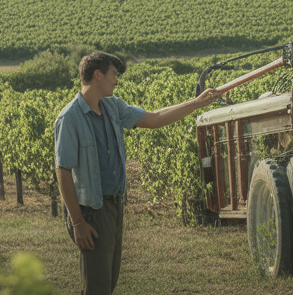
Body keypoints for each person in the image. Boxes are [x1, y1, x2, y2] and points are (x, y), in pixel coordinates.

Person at [54, 51, 221, 295]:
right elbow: (63, 171)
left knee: (107, 282)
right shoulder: (69, 118)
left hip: (114, 206)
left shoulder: (112, 106)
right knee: (98, 287)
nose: (116, 80)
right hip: (92, 211)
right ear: (98, 75)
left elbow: (155, 118)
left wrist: (196, 103)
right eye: (113, 74)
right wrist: (78, 223)